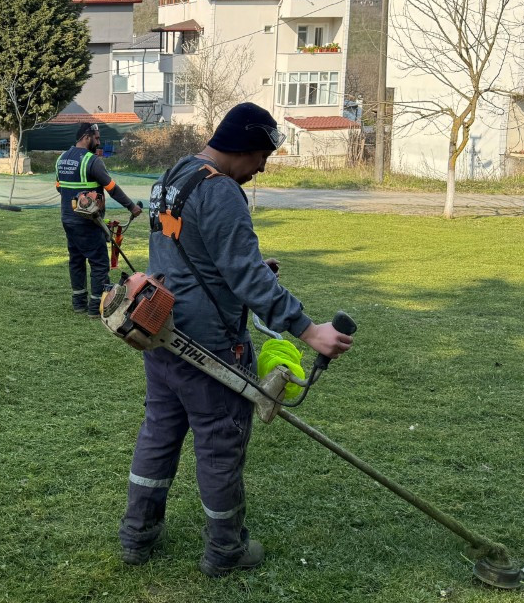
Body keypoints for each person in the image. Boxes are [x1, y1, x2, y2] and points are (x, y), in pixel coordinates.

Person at [118, 102, 353, 577]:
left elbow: (186, 257)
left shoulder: (174, 176)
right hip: (213, 350)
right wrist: (310, 331)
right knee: (220, 446)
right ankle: (225, 549)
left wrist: (236, 276)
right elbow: (245, 273)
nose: (262, 167)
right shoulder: (222, 191)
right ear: (244, 147)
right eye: (262, 156)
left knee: (159, 433)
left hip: (162, 336)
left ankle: (136, 535)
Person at [55, 122, 142, 316]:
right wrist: (132, 207)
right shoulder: (91, 161)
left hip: (68, 219)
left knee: (76, 260)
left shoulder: (61, 159)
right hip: (88, 222)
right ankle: (96, 307)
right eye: (97, 138)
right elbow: (112, 188)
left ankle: (78, 303)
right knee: (99, 262)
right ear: (87, 137)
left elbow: (59, 187)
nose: (99, 142)